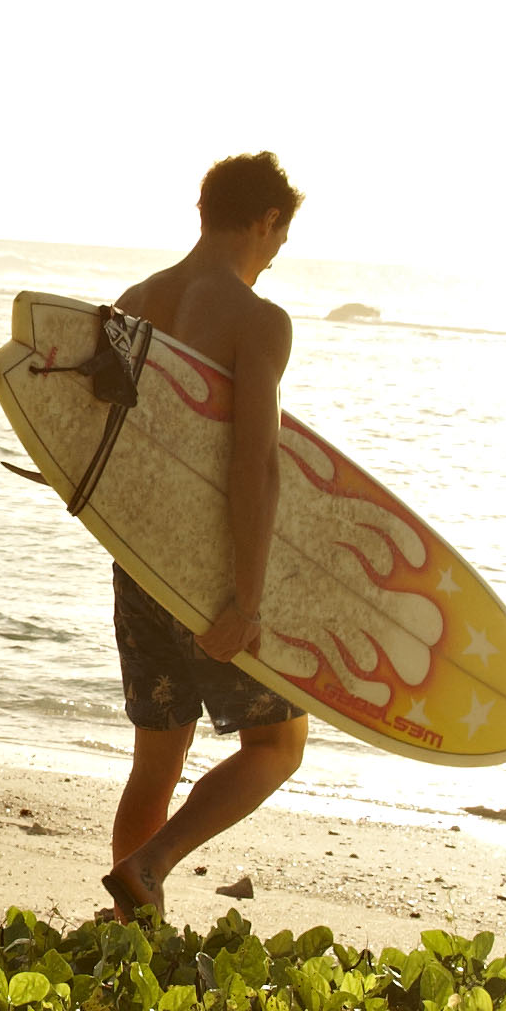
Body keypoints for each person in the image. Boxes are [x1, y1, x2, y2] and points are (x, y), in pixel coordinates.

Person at [101, 150, 309, 924]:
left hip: (140, 564)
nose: (279, 249)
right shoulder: (258, 320)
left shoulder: (130, 303)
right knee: (277, 748)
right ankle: (152, 864)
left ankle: (133, 935)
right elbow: (254, 465)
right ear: (265, 222)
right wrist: (247, 601)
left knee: (156, 760)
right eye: (281, 235)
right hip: (213, 575)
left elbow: (107, 454)